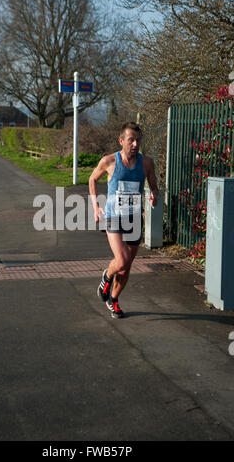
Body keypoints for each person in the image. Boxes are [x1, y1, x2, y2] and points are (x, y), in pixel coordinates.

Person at [89, 122, 159, 319]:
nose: (135, 144)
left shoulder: (146, 163)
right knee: (122, 261)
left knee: (126, 268)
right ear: (121, 141)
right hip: (113, 216)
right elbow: (92, 179)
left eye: (138, 140)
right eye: (131, 140)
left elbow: (154, 186)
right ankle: (106, 276)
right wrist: (96, 206)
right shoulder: (109, 161)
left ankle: (114, 299)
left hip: (134, 218)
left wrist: (154, 195)